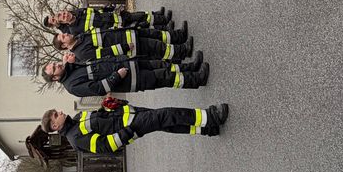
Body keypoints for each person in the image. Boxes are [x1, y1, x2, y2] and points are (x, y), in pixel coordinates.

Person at [42, 102, 228, 156]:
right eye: (55, 115)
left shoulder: (76, 119)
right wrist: (129, 131)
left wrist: (111, 105)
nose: (59, 111)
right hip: (132, 126)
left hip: (130, 114)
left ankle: (206, 129)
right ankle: (210, 117)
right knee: (166, 115)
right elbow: (106, 145)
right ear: (55, 126)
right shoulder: (76, 138)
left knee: (166, 123)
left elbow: (104, 117)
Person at [42, 54, 209, 97]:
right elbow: (100, 88)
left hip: (128, 64)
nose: (57, 64)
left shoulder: (72, 66)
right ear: (55, 78)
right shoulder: (72, 86)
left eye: (55, 63)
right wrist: (117, 76)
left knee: (162, 64)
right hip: (129, 78)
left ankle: (191, 67)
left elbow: (98, 62)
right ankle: (197, 79)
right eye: (54, 69)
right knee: (166, 76)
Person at [54, 27, 192, 64]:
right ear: (65, 46)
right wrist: (124, 47)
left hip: (124, 34)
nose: (66, 34)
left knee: (154, 37)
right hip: (127, 45)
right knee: (156, 47)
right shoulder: (81, 53)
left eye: (63, 34)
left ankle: (179, 38)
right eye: (63, 37)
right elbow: (105, 53)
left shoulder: (79, 38)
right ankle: (183, 51)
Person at [44, 6, 171, 34]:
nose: (65, 15)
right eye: (62, 17)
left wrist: (110, 8)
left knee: (138, 16)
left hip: (113, 17)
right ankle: (163, 26)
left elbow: (95, 9)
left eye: (64, 13)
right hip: (113, 28)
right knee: (140, 26)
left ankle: (161, 18)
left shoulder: (77, 12)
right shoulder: (73, 30)